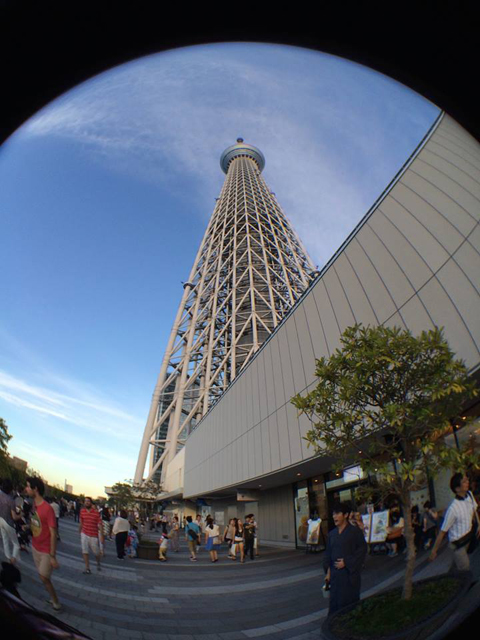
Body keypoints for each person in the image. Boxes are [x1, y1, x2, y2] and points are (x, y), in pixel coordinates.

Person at [323, 503, 367, 616]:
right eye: (333, 514)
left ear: (346, 515)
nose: (334, 516)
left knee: (348, 604)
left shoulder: (355, 532)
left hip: (349, 576)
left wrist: (346, 562)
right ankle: (334, 623)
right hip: (335, 576)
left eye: (337, 513)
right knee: (334, 603)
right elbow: (328, 554)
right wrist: (328, 572)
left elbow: (362, 550)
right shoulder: (332, 534)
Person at [430, 473, 480, 572]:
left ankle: (451, 575)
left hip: (468, 538)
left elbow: (474, 509)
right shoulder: (453, 508)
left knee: (457, 565)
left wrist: (479, 524)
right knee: (465, 568)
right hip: (458, 544)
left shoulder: (470, 495)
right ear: (457, 489)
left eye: (467, 479)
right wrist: (434, 551)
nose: (467, 482)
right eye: (464, 481)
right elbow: (442, 532)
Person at [25, 476, 61, 611]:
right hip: (35, 546)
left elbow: (53, 533)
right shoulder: (34, 505)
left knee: (43, 577)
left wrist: (52, 556)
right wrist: (28, 527)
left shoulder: (48, 509)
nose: (26, 489)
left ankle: (56, 602)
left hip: (46, 551)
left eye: (28, 486)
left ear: (35, 489)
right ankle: (53, 598)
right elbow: (36, 523)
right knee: (44, 578)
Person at [0, 478, 22, 564]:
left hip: (1, 519)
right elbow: (14, 517)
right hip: (8, 522)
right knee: (16, 544)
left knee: (5, 540)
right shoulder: (11, 501)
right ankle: (12, 560)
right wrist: (21, 515)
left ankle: (8, 558)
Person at [79, 497, 103, 573]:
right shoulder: (82, 511)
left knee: (96, 552)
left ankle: (98, 562)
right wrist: (79, 530)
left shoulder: (96, 513)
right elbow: (81, 522)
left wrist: (102, 536)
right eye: (85, 501)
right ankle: (87, 568)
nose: (87, 502)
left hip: (93, 535)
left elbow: (100, 524)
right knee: (85, 551)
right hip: (84, 533)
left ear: (91, 503)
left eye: (88, 501)